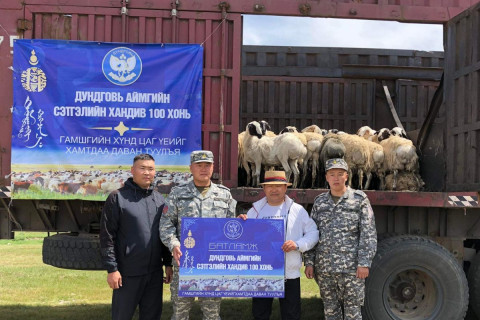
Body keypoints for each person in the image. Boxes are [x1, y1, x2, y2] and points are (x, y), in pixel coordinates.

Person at [160, 150, 237, 320]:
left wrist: (242, 224)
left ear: (213, 167)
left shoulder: (224, 195)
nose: (203, 169)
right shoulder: (177, 194)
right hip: (185, 262)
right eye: (199, 165)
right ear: (191, 168)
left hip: (213, 265)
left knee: (212, 314)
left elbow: (230, 228)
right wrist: (174, 244)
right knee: (180, 313)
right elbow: (166, 225)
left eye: (207, 165)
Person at [100, 153, 173, 320]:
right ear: (132, 170)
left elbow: (164, 234)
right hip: (127, 274)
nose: (147, 172)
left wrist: (168, 263)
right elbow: (107, 236)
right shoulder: (117, 198)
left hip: (154, 275)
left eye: (150, 169)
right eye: (142, 168)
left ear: (155, 172)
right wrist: (112, 269)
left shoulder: (159, 200)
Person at [238, 170, 319, 320]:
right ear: (264, 189)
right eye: (270, 186)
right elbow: (245, 240)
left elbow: (313, 233)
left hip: (289, 274)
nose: (274, 189)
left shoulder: (297, 210)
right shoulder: (254, 212)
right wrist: (240, 225)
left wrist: (297, 244)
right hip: (262, 274)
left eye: (278, 185)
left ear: (285, 188)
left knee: (291, 315)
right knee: (260, 314)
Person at [304, 158, 377, 320]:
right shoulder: (320, 202)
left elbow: (368, 233)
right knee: (330, 311)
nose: (336, 178)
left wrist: (364, 263)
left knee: (353, 312)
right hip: (325, 268)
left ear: (346, 176)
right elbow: (312, 233)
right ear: (327, 177)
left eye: (339, 174)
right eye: (332, 174)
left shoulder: (359, 200)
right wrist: (309, 261)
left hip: (351, 268)